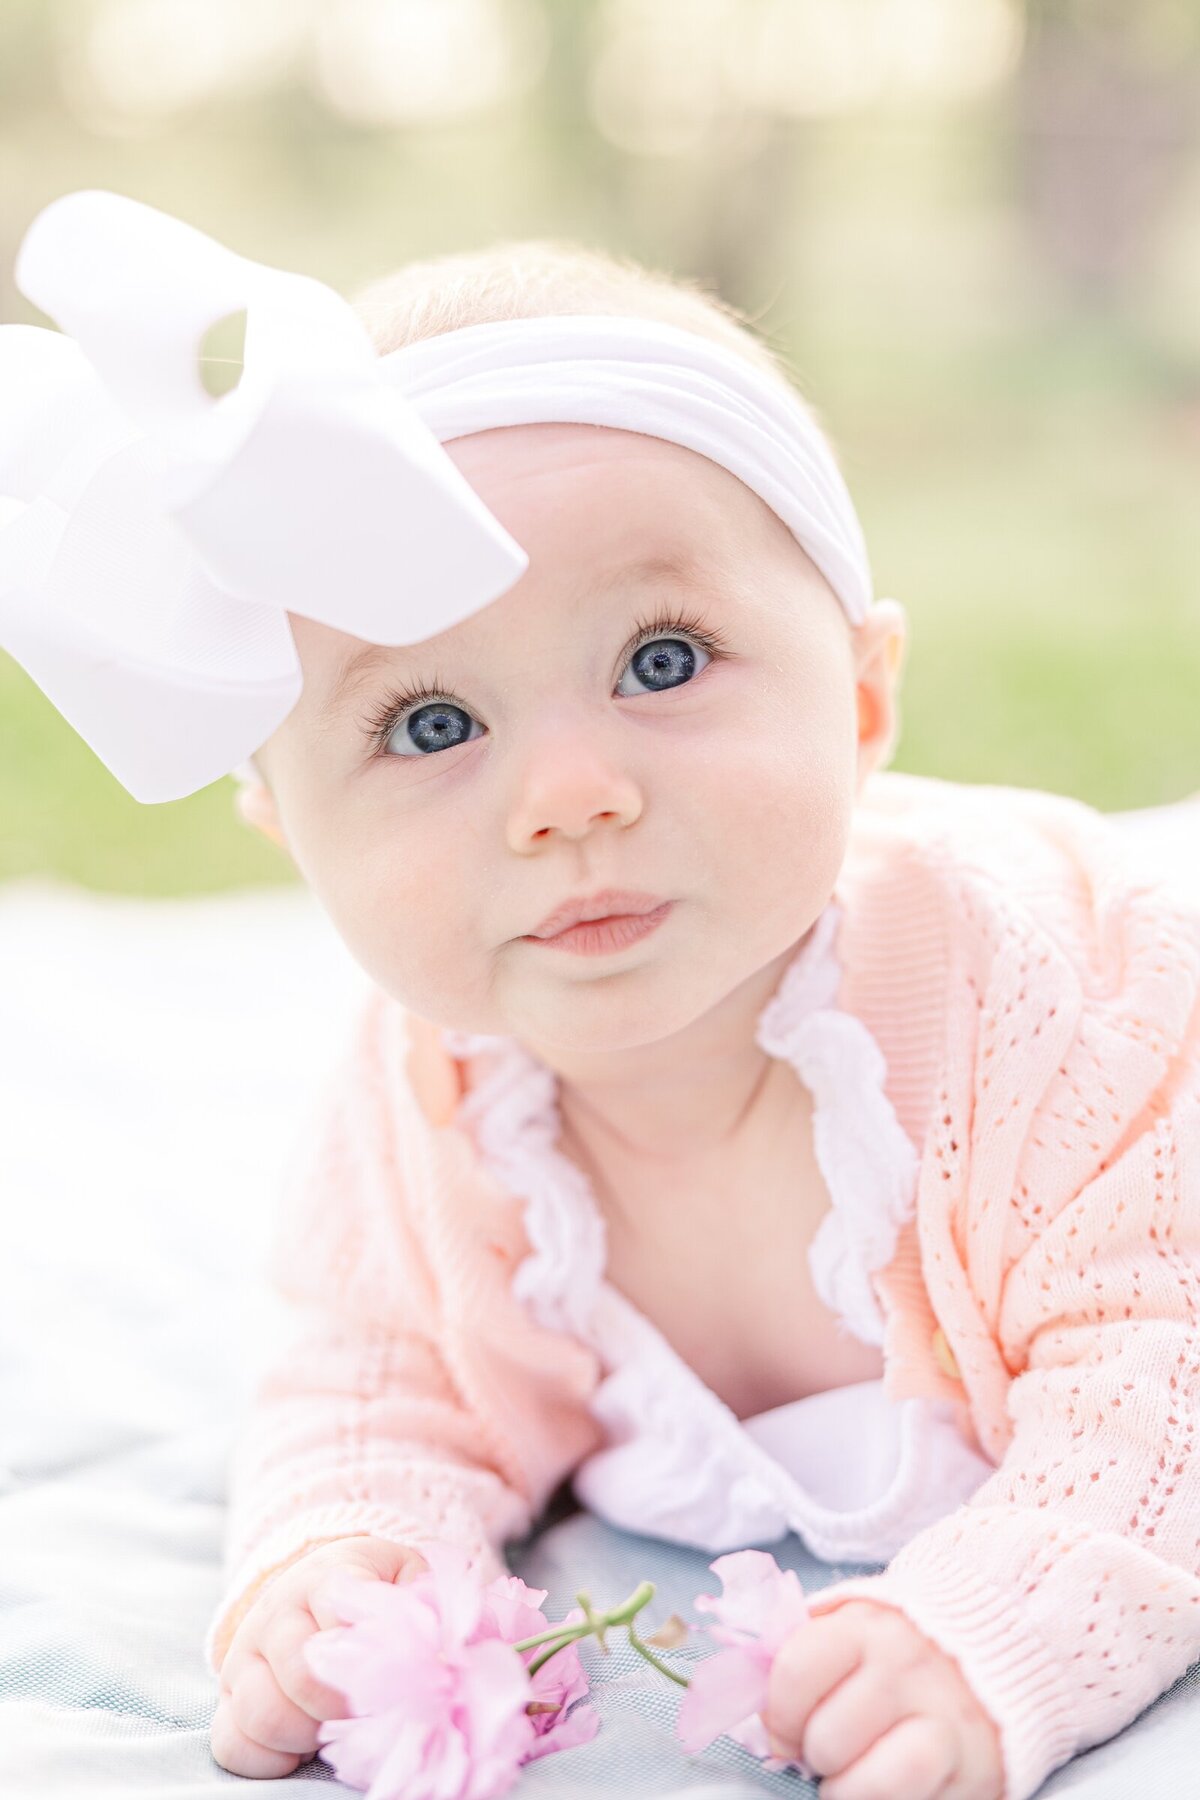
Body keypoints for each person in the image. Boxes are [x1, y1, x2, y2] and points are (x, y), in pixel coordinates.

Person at [4, 195, 1199, 1800]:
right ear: (287, 825)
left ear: (859, 697)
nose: (568, 796)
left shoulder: (1062, 997)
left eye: (659, 661)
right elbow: (376, 1376)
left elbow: (1166, 1394)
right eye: (430, 725)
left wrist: (1006, 1627)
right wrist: (345, 1560)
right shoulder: (430, 1099)